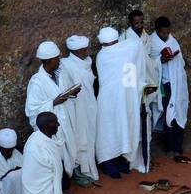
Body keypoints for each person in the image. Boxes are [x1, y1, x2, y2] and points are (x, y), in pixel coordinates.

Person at [96, 26, 153, 176]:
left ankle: (121, 162)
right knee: (110, 131)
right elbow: (137, 45)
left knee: (120, 130)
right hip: (112, 101)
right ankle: (109, 165)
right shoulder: (106, 55)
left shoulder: (104, 54)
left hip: (119, 100)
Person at [25, 40, 82, 177]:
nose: (59, 61)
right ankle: (62, 183)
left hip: (66, 119)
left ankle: (72, 175)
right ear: (49, 61)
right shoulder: (37, 82)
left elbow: (63, 93)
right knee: (58, 154)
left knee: (70, 147)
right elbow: (31, 110)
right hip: (52, 125)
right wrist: (54, 102)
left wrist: (71, 93)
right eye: (57, 58)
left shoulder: (60, 74)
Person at [59, 36, 100, 184]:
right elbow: (64, 87)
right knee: (78, 138)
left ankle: (90, 167)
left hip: (89, 106)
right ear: (75, 51)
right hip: (75, 107)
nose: (86, 52)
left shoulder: (87, 63)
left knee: (90, 136)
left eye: (86, 49)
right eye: (83, 50)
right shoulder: (66, 65)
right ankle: (81, 172)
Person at [150, 16, 189, 157]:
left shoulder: (173, 41)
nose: (166, 35)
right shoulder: (152, 43)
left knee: (179, 111)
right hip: (164, 85)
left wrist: (173, 57)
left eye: (168, 32)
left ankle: (178, 146)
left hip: (177, 83)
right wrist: (160, 60)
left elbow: (181, 62)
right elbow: (148, 65)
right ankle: (169, 147)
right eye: (163, 33)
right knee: (169, 114)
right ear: (157, 30)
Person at [125, 10, 163, 151]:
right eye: (136, 23)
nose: (140, 25)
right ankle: (135, 155)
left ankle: (146, 154)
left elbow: (149, 59)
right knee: (134, 121)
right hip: (134, 85)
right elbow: (126, 65)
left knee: (147, 118)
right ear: (130, 23)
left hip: (147, 81)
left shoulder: (146, 37)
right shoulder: (125, 39)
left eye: (141, 22)